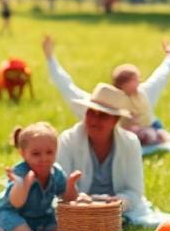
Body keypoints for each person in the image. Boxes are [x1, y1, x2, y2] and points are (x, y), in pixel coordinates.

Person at [56, 82, 152, 223]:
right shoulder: (68, 140)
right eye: (91, 112)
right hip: (78, 207)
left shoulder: (130, 143)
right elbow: (61, 187)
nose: (94, 120)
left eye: (102, 115)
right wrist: (79, 199)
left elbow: (135, 191)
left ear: (115, 120)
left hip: (115, 208)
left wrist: (119, 202)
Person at [43, 35, 170, 134]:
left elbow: (160, 76)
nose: (98, 118)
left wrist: (169, 56)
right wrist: (50, 58)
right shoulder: (101, 100)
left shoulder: (143, 94)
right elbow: (66, 86)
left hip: (150, 129)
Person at [0, 123, 81, 231]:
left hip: (41, 217)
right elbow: (16, 203)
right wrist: (23, 184)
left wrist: (70, 184)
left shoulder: (56, 172)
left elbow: (69, 198)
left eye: (49, 152)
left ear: (56, 151)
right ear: (23, 154)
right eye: (36, 154)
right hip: (13, 214)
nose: (44, 158)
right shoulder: (21, 173)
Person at [112, 58, 170, 146]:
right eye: (135, 79)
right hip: (129, 129)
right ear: (124, 84)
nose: (139, 81)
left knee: (150, 135)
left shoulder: (142, 92)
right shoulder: (116, 99)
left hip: (150, 124)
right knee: (132, 134)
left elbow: (159, 78)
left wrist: (169, 58)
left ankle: (157, 134)